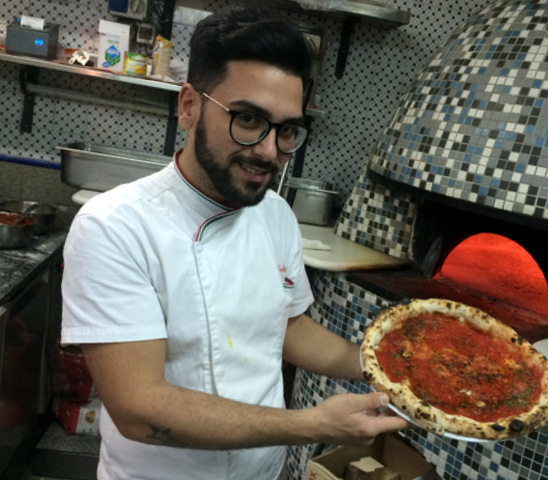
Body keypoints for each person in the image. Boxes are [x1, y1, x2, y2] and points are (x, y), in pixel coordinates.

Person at [61, 6, 409, 480]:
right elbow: (138, 409)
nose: (269, 150)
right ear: (189, 106)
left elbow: (285, 326)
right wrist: (311, 424)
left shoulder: (276, 214)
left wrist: (385, 366)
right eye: (247, 119)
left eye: (287, 130)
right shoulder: (115, 226)